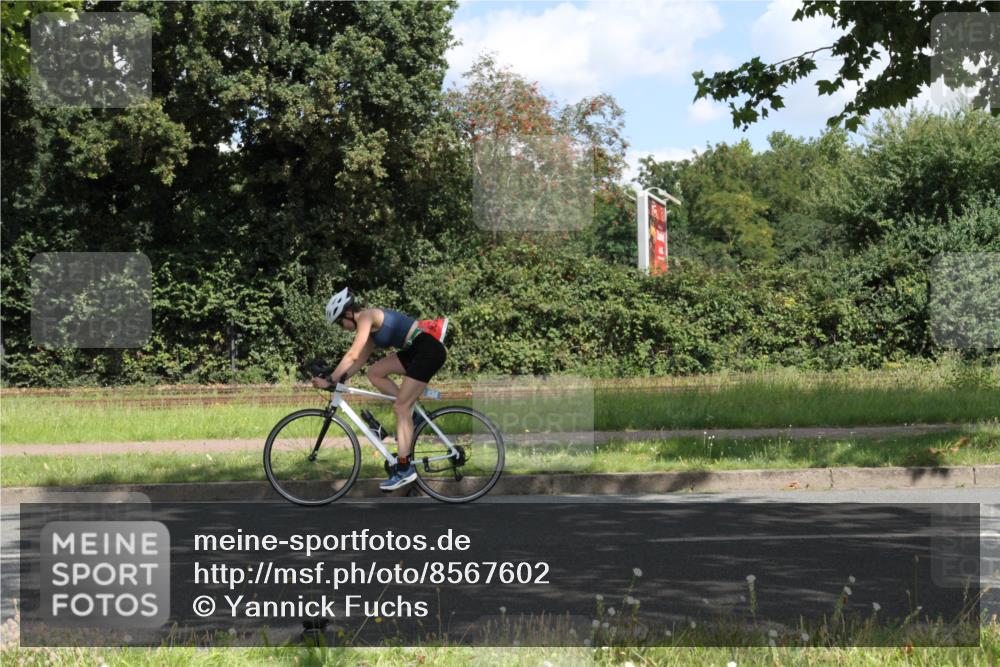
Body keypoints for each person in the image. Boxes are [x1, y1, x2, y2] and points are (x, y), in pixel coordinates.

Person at [312, 287, 447, 491]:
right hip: (414, 352)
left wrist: (330, 378)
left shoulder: (367, 317)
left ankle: (404, 469)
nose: (342, 327)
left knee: (400, 408)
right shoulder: (369, 331)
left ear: (349, 313)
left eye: (340, 323)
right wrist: (340, 379)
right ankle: (412, 411)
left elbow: (353, 355)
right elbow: (359, 362)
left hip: (427, 351)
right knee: (374, 373)